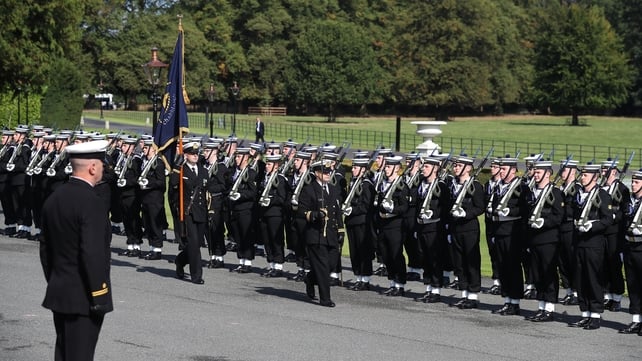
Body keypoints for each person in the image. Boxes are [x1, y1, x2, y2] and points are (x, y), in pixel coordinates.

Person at [39, 140, 113, 361]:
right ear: (92, 167)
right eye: (101, 164)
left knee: (63, 354)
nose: (102, 169)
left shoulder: (54, 198)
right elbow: (92, 253)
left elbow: (46, 250)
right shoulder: (92, 202)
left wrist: (56, 279)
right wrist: (100, 294)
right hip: (84, 297)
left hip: (60, 291)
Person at [568, 163, 613, 330]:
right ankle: (585, 312)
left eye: (586, 175)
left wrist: (592, 226)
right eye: (582, 174)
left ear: (595, 177)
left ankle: (595, 314)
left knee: (593, 279)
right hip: (579, 242)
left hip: (594, 243)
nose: (582, 177)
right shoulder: (579, 195)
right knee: (580, 279)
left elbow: (608, 219)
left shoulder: (602, 195)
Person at [298, 159, 342, 307]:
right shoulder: (309, 189)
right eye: (325, 172)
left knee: (331, 264)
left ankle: (310, 278)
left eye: (329, 172)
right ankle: (325, 298)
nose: (328, 174)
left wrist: (341, 230)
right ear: (317, 173)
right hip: (316, 235)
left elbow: (338, 212)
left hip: (331, 235)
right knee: (323, 268)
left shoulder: (334, 189)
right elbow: (301, 211)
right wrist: (315, 215)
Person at [489, 156, 528, 316]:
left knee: (513, 267)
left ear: (513, 170)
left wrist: (510, 212)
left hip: (513, 232)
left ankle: (515, 301)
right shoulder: (499, 186)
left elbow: (525, 210)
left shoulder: (521, 187)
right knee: (502, 266)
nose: (501, 171)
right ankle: (507, 299)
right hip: (499, 230)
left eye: (504, 169)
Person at [525, 160, 563, 322]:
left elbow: (559, 216)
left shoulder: (554, 192)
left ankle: (549, 308)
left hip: (549, 239)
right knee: (538, 273)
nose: (536, 174)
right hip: (534, 239)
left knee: (548, 273)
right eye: (535, 171)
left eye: (539, 172)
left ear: (548, 173)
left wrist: (544, 222)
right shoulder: (531, 191)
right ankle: (541, 306)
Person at [448, 154, 485, 309]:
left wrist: (466, 214)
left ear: (468, 168)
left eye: (459, 165)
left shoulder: (475, 185)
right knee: (459, 262)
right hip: (455, 228)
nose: (456, 168)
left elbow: (480, 207)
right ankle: (464, 293)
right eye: (455, 165)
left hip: (469, 228)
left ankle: (473, 295)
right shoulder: (452, 184)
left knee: (471, 261)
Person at [171, 142, 208, 284]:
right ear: (185, 155)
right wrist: (176, 167)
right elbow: (173, 185)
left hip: (201, 212)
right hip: (188, 212)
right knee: (193, 244)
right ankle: (196, 275)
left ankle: (180, 261)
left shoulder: (203, 170)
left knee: (197, 244)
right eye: (192, 154)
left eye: (196, 154)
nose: (195, 156)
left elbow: (206, 190)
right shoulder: (181, 170)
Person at [414, 156, 450, 303]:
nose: (423, 169)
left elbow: (446, 209)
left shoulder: (441, 186)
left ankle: (436, 289)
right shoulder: (421, 185)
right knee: (424, 258)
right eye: (423, 166)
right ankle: (428, 287)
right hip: (422, 226)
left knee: (435, 258)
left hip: (435, 227)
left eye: (427, 167)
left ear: (435, 168)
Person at [375, 155, 410, 296]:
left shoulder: (401, 186)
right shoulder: (383, 184)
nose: (386, 169)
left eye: (388, 167)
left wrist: (392, 209)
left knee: (396, 254)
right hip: (383, 223)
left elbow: (404, 207)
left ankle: (400, 284)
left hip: (395, 224)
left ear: (397, 169)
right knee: (385, 253)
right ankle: (392, 282)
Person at [343, 157, 376, 291]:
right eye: (353, 167)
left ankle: (365, 279)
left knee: (363, 251)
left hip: (361, 222)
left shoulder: (366, 184)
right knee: (354, 250)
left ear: (363, 169)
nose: (353, 169)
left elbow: (366, 205)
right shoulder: (354, 182)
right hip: (352, 221)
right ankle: (358, 277)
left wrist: (353, 210)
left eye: (356, 168)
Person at [620, 169, 642, 334]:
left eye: (636, 182)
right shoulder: (629, 201)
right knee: (633, 284)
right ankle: (636, 319)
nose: (633, 185)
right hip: (630, 247)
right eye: (633, 182)